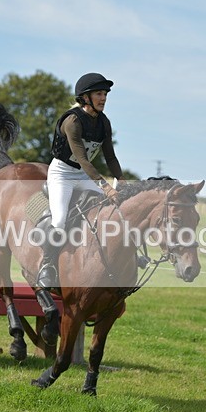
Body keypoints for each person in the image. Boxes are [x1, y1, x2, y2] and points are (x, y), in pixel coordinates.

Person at [36, 72, 124, 289]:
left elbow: (110, 156)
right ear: (85, 97)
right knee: (59, 220)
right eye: (99, 93)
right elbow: (83, 159)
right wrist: (104, 185)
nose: (103, 98)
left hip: (83, 176)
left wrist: (120, 181)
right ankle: (47, 265)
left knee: (114, 209)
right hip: (62, 174)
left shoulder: (103, 122)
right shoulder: (72, 121)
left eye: (105, 94)